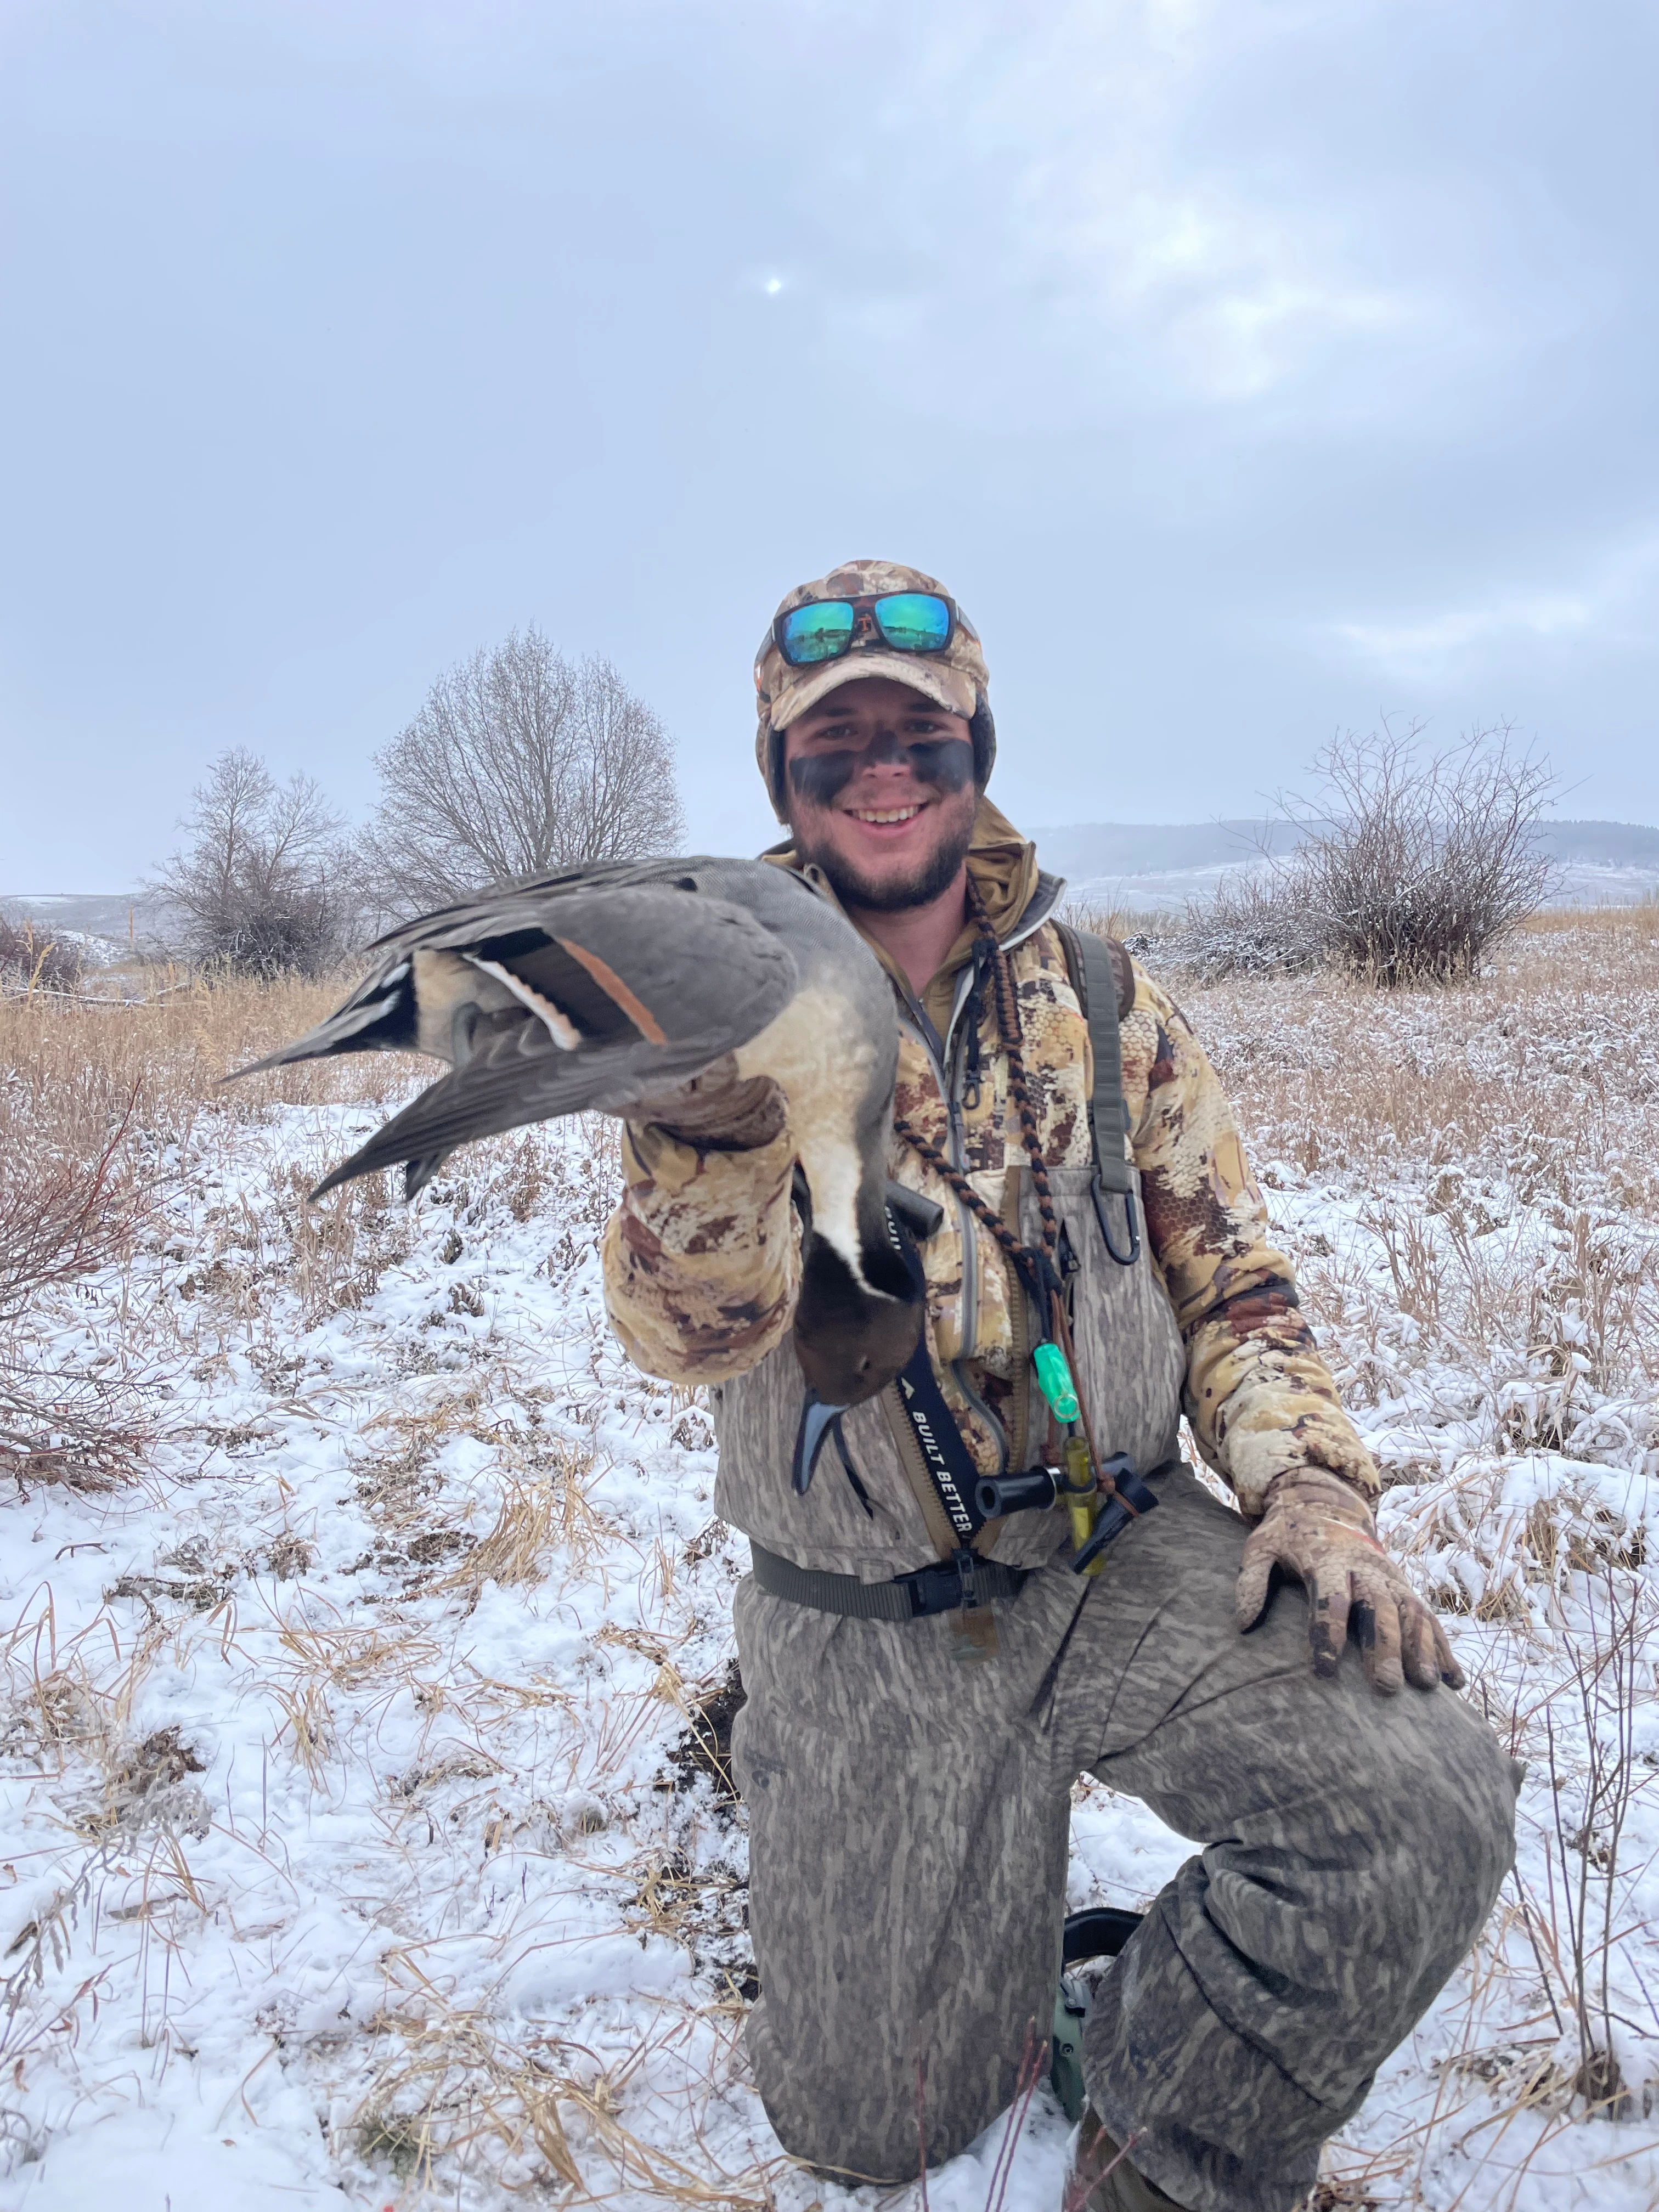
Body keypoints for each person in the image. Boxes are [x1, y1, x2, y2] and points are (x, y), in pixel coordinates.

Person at [600, 560, 1519, 2212]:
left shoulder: (1105, 1005)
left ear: (978, 754)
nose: (882, 768)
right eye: (836, 743)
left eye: (920, 735)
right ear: (783, 780)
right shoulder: (718, 1018)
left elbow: (1234, 1281)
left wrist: (1310, 1479)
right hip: (865, 1618)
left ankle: (1163, 2150)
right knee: (865, 2130)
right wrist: (707, 1139)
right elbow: (683, 1342)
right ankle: (790, 1754)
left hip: (1114, 1550)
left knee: (1423, 1800)